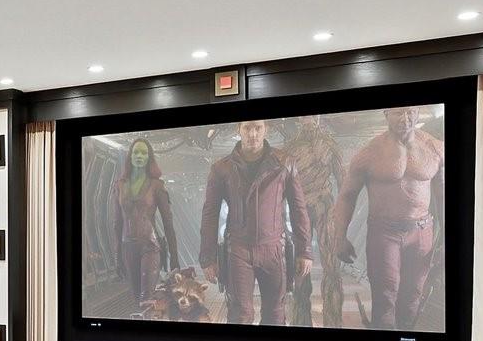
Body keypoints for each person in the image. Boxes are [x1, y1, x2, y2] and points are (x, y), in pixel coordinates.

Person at [329, 105, 445, 330]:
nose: (406, 118)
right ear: (386, 115)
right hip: (384, 233)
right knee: (385, 294)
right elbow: (346, 197)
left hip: (422, 231)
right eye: (398, 112)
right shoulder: (369, 153)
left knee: (413, 296)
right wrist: (340, 237)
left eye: (411, 112)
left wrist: (448, 240)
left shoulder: (434, 148)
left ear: (418, 112)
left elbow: (443, 195)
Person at [199, 118, 312, 325]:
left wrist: (305, 251)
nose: (253, 134)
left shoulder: (285, 163)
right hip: (239, 250)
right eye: (247, 127)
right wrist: (208, 258)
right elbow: (210, 213)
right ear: (238, 129)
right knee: (240, 315)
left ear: (265, 129)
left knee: (276, 315)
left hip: (274, 249)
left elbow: (299, 209)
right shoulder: (221, 169)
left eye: (258, 128)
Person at [278, 113, 344, 326]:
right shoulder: (290, 149)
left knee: (332, 267)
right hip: (300, 210)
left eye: (312, 116)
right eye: (305, 117)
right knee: (300, 268)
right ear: (298, 120)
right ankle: (300, 322)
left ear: (318, 119)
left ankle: (333, 324)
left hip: (325, 207)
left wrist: (343, 217)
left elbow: (343, 182)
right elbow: (280, 185)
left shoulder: (329, 146)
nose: (308, 121)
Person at [110, 137, 179, 310]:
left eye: (144, 152)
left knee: (145, 299)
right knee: (136, 300)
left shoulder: (157, 186)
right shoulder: (119, 185)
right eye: (136, 152)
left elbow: (168, 223)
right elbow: (117, 224)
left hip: (150, 246)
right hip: (128, 248)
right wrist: (117, 257)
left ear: (149, 157)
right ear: (130, 156)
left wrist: (174, 258)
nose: (139, 156)